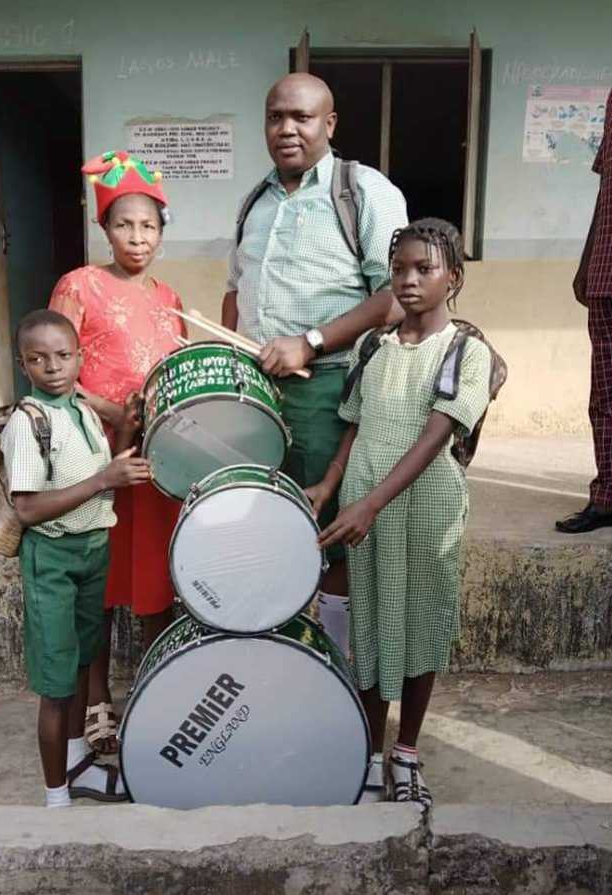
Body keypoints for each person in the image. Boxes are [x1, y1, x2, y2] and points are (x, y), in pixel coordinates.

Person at [306, 219, 491, 808]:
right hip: (365, 499)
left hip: (422, 505)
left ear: (452, 278)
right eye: (400, 269)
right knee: (372, 627)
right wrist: (331, 484)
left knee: (420, 625)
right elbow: (355, 424)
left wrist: (371, 502)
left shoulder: (467, 351)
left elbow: (437, 435)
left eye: (424, 269)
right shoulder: (372, 346)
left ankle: (405, 752)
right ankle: (368, 753)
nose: (408, 281)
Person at [222, 73, 408, 640]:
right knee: (266, 522)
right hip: (256, 395)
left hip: (328, 389)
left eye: (301, 117)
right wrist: (229, 358)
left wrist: (312, 341)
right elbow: (235, 290)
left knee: (329, 529)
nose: (287, 129)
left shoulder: (363, 191)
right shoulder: (255, 199)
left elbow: (396, 296)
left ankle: (333, 657)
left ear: (329, 124)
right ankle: (279, 646)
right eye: (276, 117)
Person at [49, 151, 185, 753]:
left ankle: (156, 687)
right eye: (125, 224)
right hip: (93, 459)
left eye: (149, 226)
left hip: (152, 461)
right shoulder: (78, 285)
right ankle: (98, 697)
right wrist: (108, 412)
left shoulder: (171, 297)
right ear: (105, 228)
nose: (137, 237)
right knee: (98, 578)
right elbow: (50, 366)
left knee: (155, 572)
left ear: (161, 232)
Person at [2, 308, 153, 807]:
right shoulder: (28, 423)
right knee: (56, 680)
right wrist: (102, 480)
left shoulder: (82, 412)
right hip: (53, 558)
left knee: (84, 659)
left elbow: (105, 473)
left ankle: (76, 768)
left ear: (80, 358)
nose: (53, 367)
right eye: (38, 359)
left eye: (63, 355)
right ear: (24, 365)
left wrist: (127, 434)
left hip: (92, 552)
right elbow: (26, 507)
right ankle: (56, 798)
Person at [556, 74, 612, 544]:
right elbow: (609, 193)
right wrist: (586, 261)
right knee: (609, 395)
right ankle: (609, 497)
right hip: (610, 268)